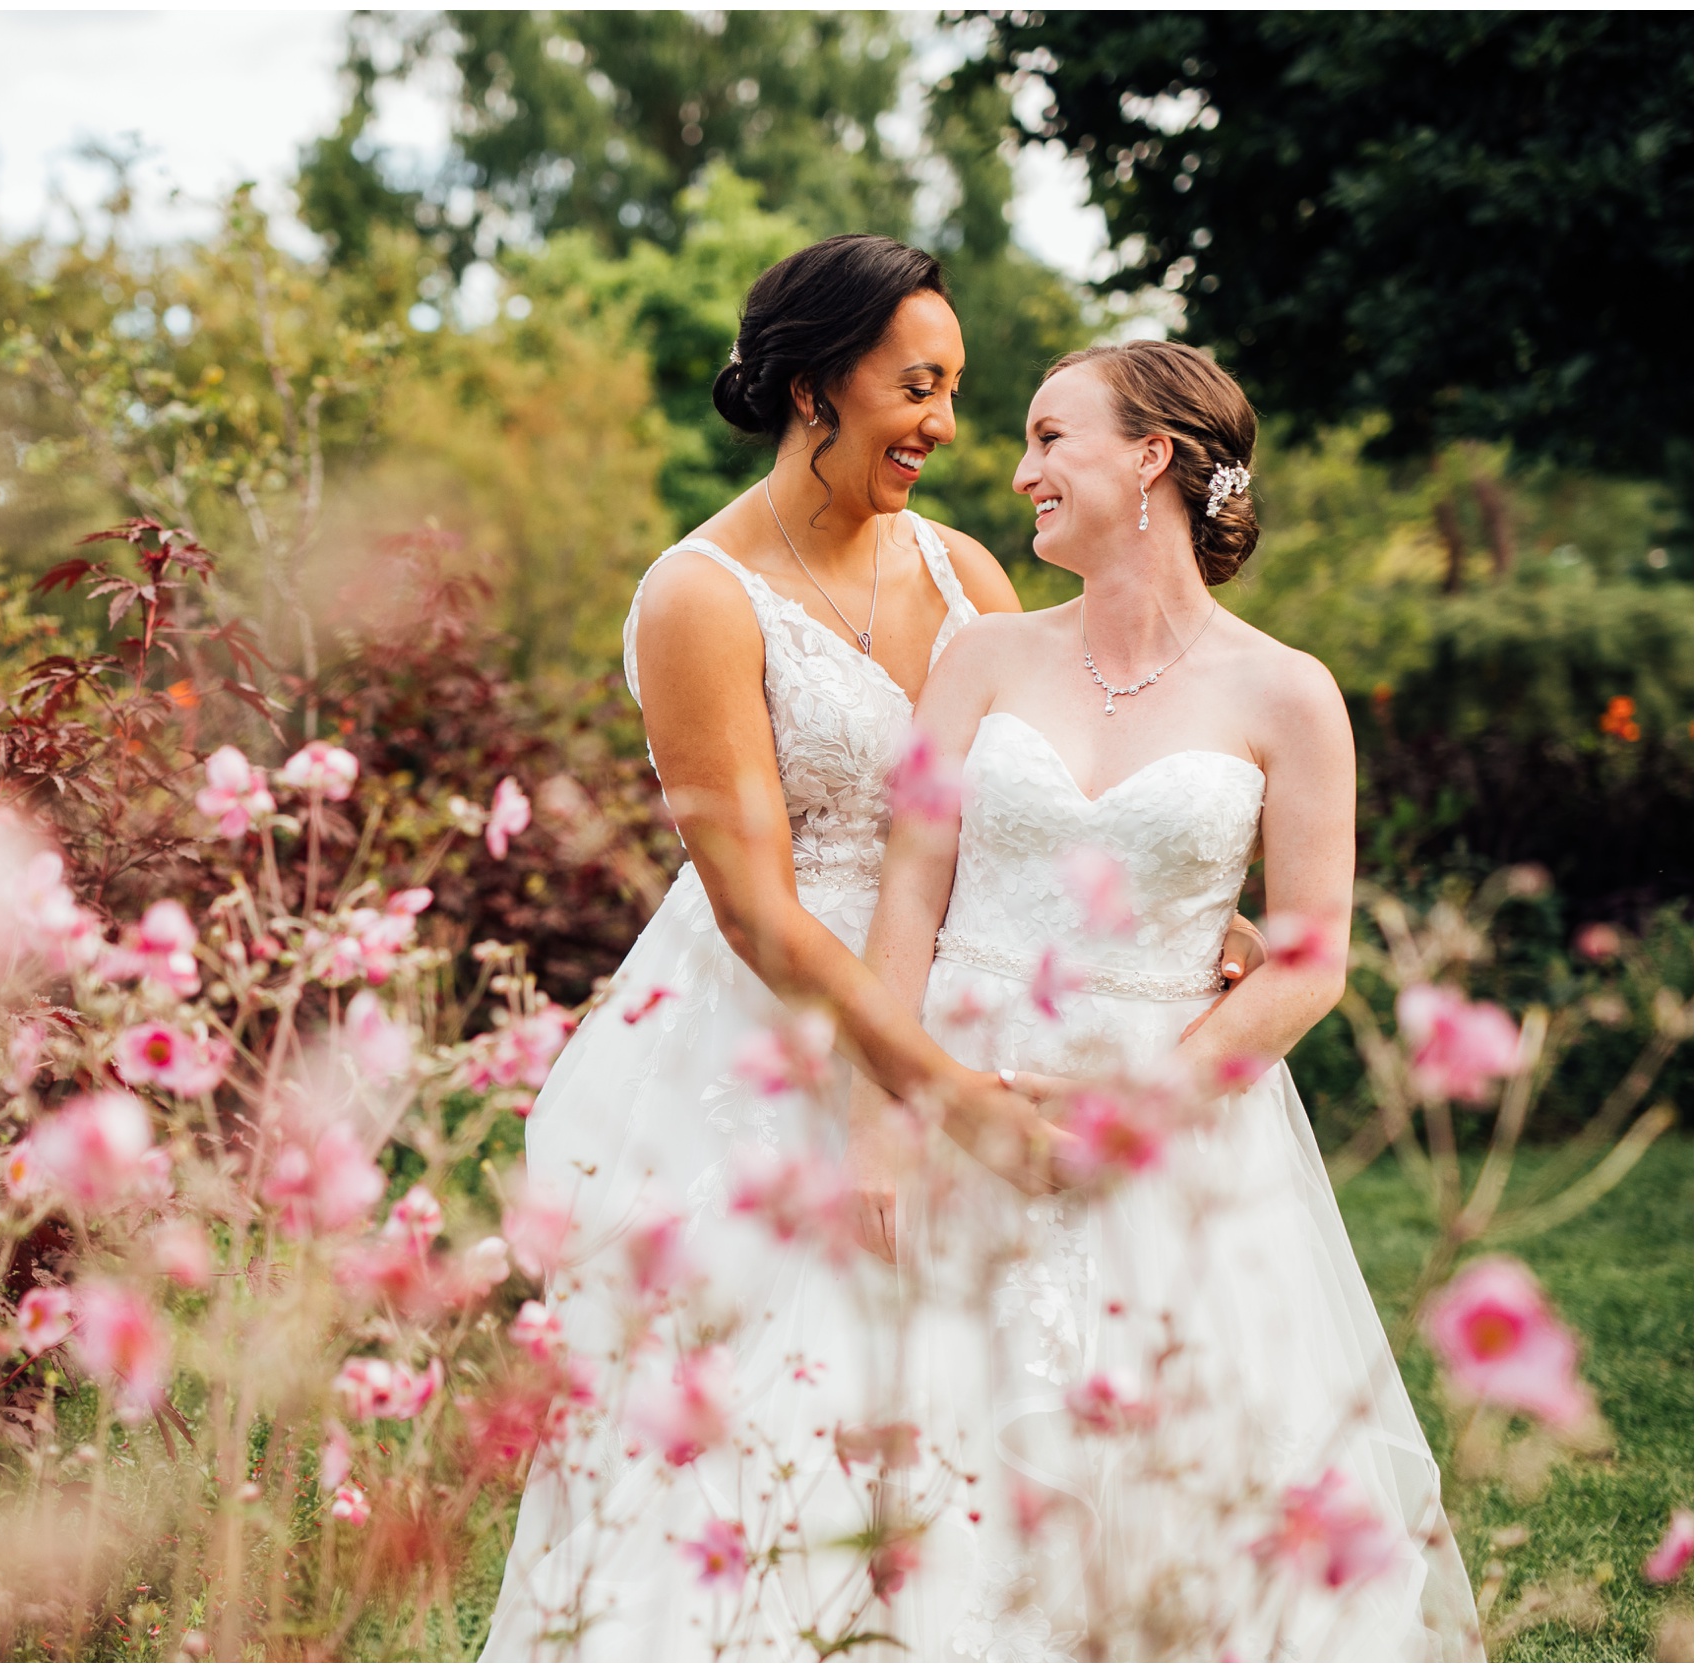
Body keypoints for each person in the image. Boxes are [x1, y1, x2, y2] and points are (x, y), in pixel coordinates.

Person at [479, 235, 1234, 1660]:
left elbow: (1047, 791)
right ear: (818, 386)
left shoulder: (961, 570)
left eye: (954, 390)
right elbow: (756, 903)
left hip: (976, 986)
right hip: (773, 1032)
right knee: (779, 1391)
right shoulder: (697, 596)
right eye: (921, 386)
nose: (949, 427)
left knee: (969, 1378)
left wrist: (1205, 913)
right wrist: (928, 1081)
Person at [855, 339, 1481, 1659]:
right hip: (961, 1087)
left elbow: (1311, 954)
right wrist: (888, 1107)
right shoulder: (978, 664)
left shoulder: (1289, 693)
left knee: (1168, 1479)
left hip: (1169, 1116)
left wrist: (1136, 1110)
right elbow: (906, 900)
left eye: (1048, 437)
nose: (1018, 470)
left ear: (1151, 457)